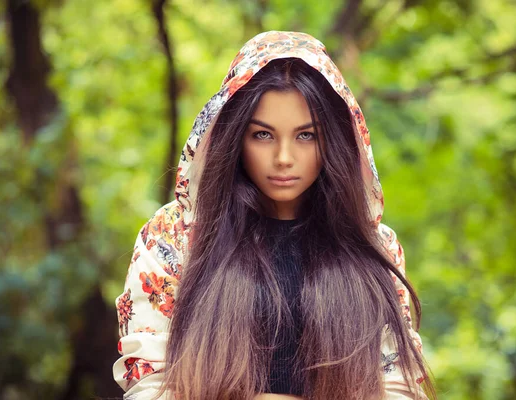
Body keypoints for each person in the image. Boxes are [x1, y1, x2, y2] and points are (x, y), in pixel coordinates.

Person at [113, 31, 435, 400]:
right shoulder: (173, 237)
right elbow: (149, 387)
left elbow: (398, 389)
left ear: (333, 140)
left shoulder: (373, 247)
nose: (284, 157)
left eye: (306, 136)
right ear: (234, 136)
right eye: (263, 135)